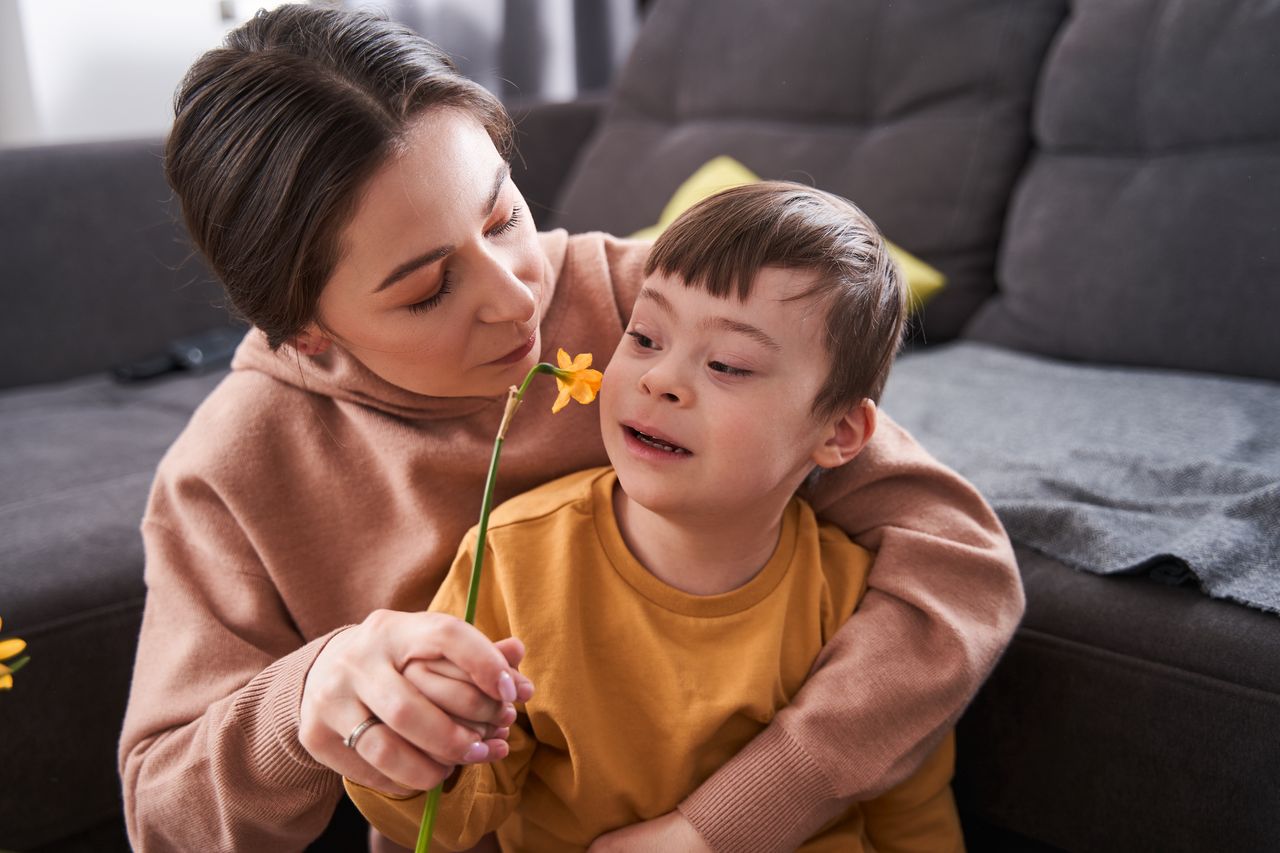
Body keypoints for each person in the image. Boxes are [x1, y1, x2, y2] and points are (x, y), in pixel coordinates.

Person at [117, 6, 1020, 852]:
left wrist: (736, 816)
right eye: (429, 289)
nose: (517, 296)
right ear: (307, 330)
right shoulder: (232, 471)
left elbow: (960, 564)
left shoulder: (650, 309)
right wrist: (306, 700)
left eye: (504, 213)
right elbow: (162, 806)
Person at [345, 181, 967, 852]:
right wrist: (406, 756)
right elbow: (453, 820)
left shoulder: (855, 598)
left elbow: (910, 805)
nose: (658, 378)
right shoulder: (513, 557)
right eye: (643, 337)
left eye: (728, 363)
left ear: (841, 432)